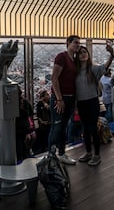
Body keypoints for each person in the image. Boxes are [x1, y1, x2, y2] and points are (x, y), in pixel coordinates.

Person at [75, 45, 114, 166]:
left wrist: (111, 55)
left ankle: (97, 155)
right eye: (80, 52)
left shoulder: (93, 69)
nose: (83, 54)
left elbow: (105, 66)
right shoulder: (75, 71)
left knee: (92, 128)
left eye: (85, 52)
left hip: (92, 102)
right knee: (85, 130)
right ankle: (88, 152)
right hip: (81, 103)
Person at [48, 35, 81, 165]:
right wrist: (59, 99)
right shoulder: (62, 57)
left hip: (70, 98)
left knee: (62, 127)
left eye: (79, 43)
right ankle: (50, 156)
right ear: (68, 43)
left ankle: (61, 153)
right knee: (56, 127)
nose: (78, 45)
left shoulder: (73, 60)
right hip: (61, 98)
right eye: (75, 43)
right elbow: (54, 78)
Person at [15, 87, 36, 160]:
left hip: (20, 129)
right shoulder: (24, 102)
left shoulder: (22, 103)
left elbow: (29, 115)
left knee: (21, 147)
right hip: (21, 128)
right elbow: (30, 114)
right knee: (22, 146)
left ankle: (23, 158)